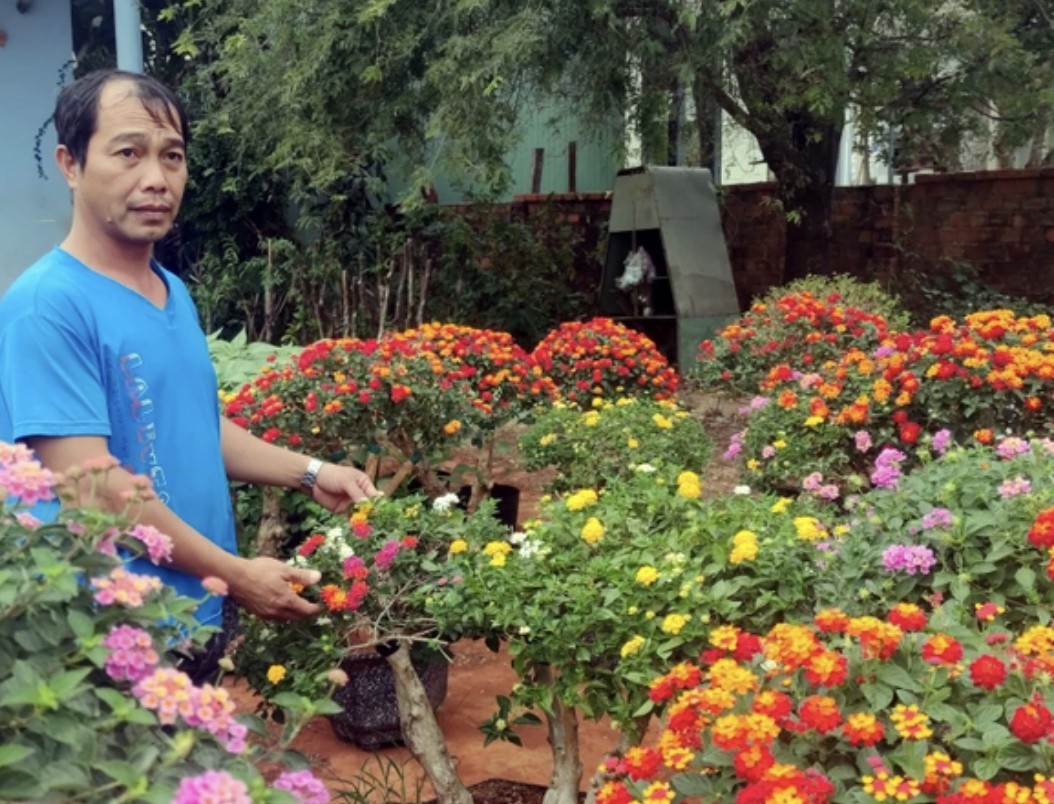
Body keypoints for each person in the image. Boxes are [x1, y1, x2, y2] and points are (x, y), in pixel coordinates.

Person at [0, 69, 378, 679]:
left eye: (171, 156)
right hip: (106, 641)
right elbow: (91, 490)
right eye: (128, 153)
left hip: (191, 613)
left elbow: (194, 424)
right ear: (70, 164)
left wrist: (310, 474)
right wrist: (235, 573)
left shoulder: (168, 291)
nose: (156, 179)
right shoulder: (48, 305)